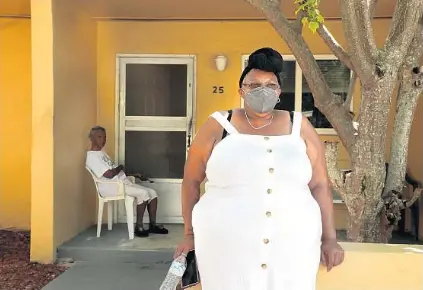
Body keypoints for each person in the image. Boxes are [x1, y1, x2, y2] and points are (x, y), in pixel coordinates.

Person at [175, 48, 344, 289]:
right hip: (226, 248)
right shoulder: (218, 124)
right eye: (254, 85)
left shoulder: (300, 125)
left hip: (293, 246)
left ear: (278, 91)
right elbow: (191, 181)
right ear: (241, 90)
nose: (262, 91)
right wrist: (190, 235)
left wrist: (329, 239)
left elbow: (319, 185)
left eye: (270, 85)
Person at [86, 126, 168, 238]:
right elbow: (109, 174)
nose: (103, 140)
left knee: (153, 193)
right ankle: (139, 227)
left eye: (105, 137)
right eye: (100, 137)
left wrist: (135, 174)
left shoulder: (102, 153)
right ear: (91, 138)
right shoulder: (91, 157)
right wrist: (120, 166)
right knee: (144, 193)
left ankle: (152, 225)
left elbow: (115, 171)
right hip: (112, 187)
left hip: (122, 183)